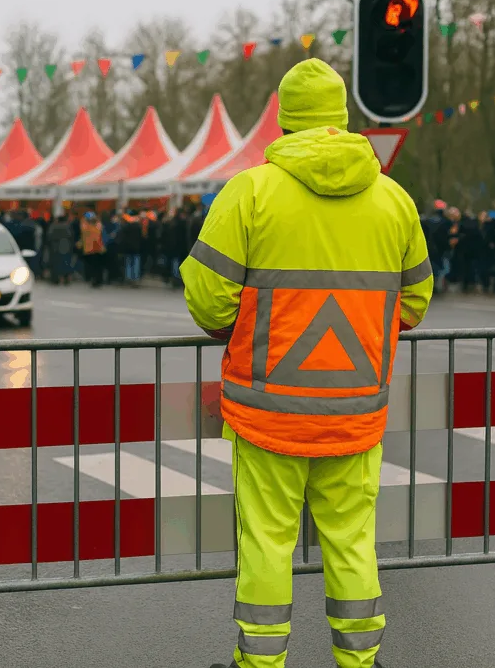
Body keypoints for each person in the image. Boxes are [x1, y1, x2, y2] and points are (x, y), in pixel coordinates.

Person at [180, 58, 433, 668]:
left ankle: (261, 664)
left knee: (265, 544)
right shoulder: (393, 200)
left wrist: (232, 328)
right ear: (342, 118)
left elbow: (209, 299)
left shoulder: (250, 193)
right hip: (356, 413)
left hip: (266, 413)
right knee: (352, 541)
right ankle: (359, 661)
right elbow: (415, 302)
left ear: (284, 119)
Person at [79, 211, 106, 287]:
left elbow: (83, 228)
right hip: (98, 249)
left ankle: (94, 280)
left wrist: (83, 219)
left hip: (90, 250)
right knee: (98, 266)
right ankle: (98, 280)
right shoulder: (98, 226)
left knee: (92, 267)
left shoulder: (87, 228)